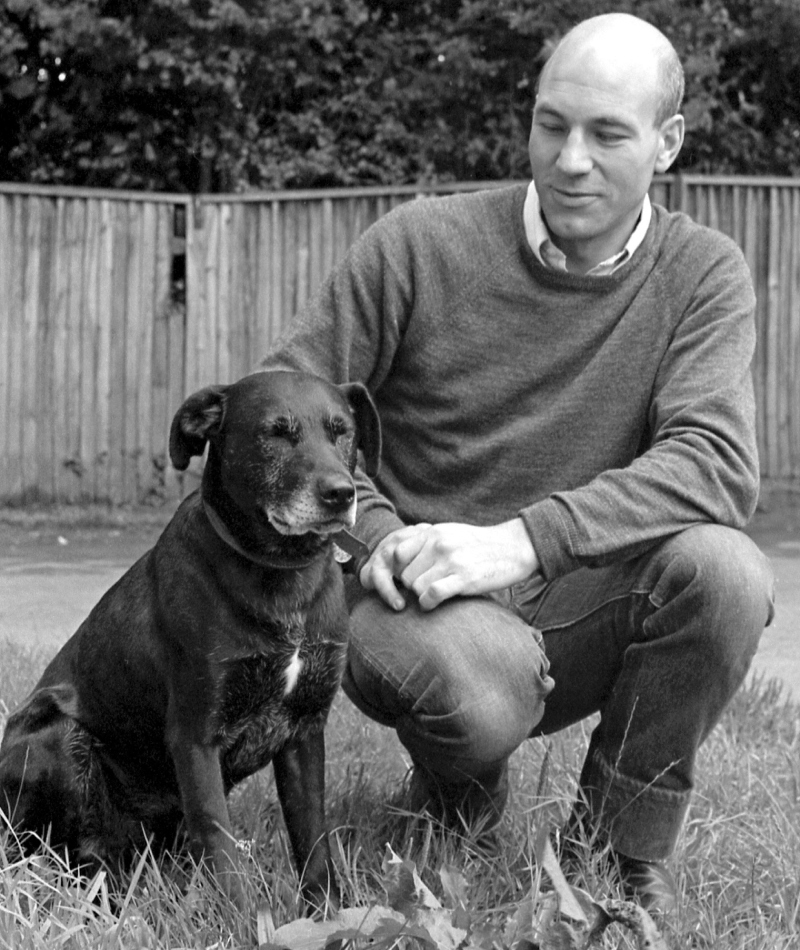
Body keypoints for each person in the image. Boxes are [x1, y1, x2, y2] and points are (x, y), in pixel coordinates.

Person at [260, 12, 776, 915]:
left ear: (668, 144)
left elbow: (718, 462)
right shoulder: (417, 246)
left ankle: (615, 855)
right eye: (552, 124)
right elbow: (283, 406)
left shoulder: (702, 274)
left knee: (727, 573)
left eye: (608, 133)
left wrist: (525, 542)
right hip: (411, 595)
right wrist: (376, 533)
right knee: (478, 687)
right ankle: (457, 797)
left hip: (574, 590)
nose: (570, 158)